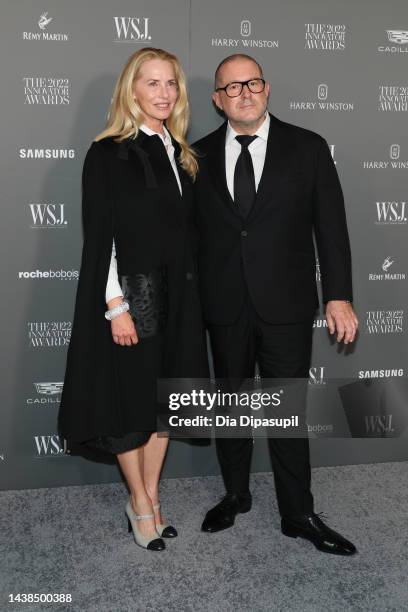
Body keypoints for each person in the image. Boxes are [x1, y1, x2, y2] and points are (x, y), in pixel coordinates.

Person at [193, 53, 359, 555]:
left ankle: (297, 514)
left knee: (288, 413)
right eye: (232, 87)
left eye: (253, 82)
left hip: (286, 304)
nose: (244, 92)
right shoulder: (195, 155)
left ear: (268, 89)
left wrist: (339, 295)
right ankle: (236, 494)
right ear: (218, 100)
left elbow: (331, 228)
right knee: (233, 407)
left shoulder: (307, 148)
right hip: (223, 305)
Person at [58, 48, 208, 552]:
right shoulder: (108, 152)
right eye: (153, 83)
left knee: (165, 404)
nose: (164, 93)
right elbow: (101, 239)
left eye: (171, 84)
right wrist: (115, 305)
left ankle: (152, 497)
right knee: (130, 406)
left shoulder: (181, 152)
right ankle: (140, 503)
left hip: (181, 297)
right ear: (132, 89)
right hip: (135, 297)